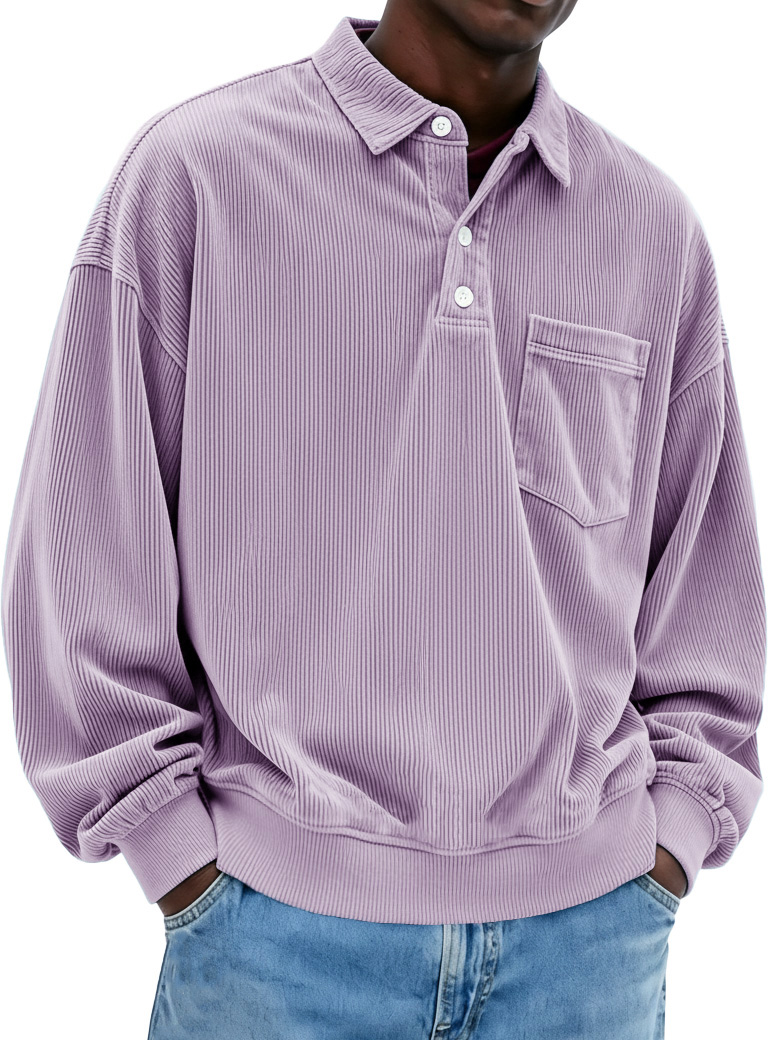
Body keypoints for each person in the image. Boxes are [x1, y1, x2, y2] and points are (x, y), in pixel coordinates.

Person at [1, 2, 767, 1037]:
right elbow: (84, 544)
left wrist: (672, 839)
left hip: (587, 956)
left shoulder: (651, 228)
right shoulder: (196, 177)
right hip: (274, 947)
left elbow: (705, 585)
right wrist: (172, 849)